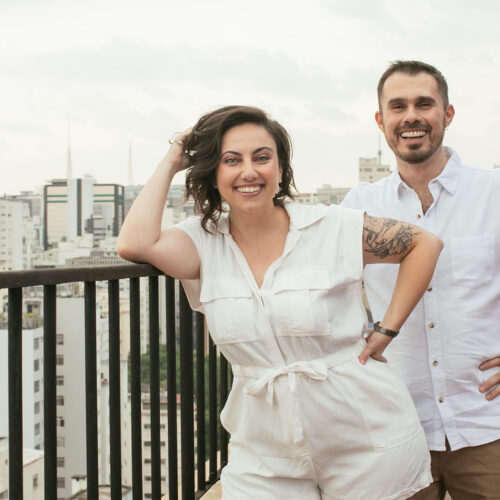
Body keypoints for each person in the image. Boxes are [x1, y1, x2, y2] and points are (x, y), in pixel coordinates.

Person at [118, 105, 443, 500]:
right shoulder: (202, 242)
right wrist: (173, 159)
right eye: (231, 160)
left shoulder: (329, 226)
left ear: (280, 166)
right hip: (265, 454)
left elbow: (424, 243)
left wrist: (388, 328)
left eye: (262, 157)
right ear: (213, 171)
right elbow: (134, 243)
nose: (249, 171)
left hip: (366, 439)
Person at [342, 61, 500, 500]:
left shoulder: (495, 192)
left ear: (447, 114)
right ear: (381, 121)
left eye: (424, 104)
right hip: (397, 430)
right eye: (398, 106)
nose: (411, 116)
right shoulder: (359, 205)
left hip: (488, 426)